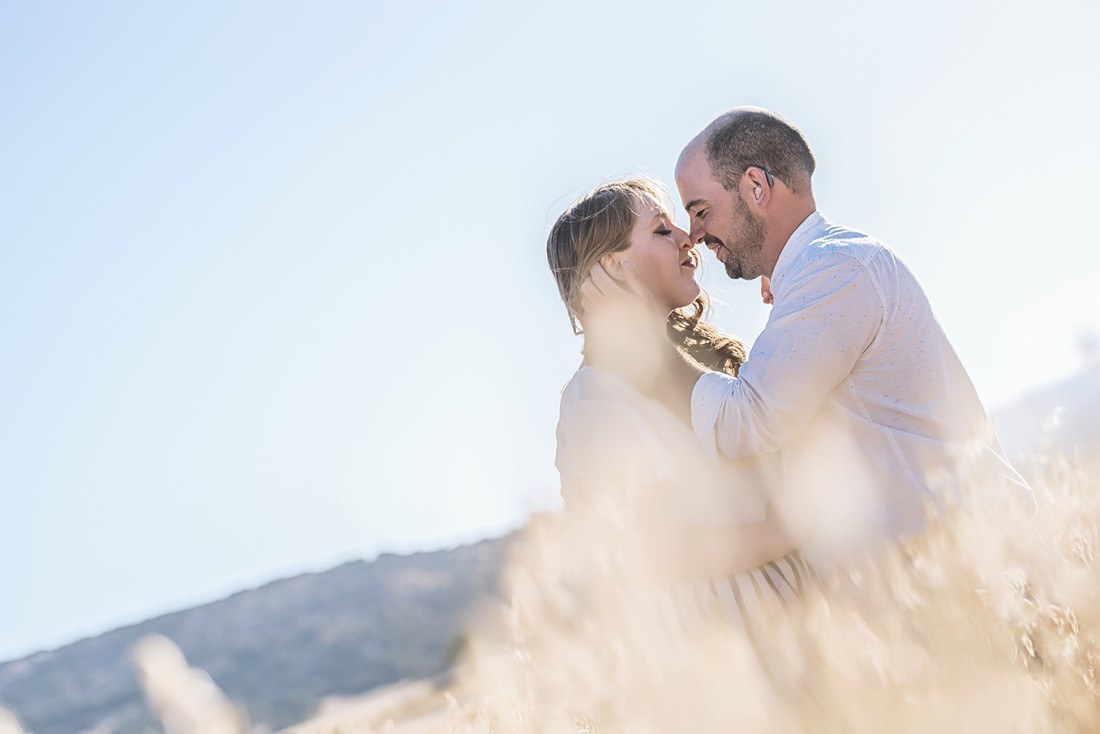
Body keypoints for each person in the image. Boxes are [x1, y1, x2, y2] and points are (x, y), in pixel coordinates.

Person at [581, 107, 1033, 570]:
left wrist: (643, 348)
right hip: (943, 570)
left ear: (756, 188)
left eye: (701, 211)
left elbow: (749, 420)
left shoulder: (833, 270)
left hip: (970, 570)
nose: (694, 235)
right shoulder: (821, 273)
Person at [547, 177, 820, 693]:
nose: (687, 236)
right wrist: (788, 531)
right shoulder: (593, 400)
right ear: (613, 266)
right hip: (723, 663)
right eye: (659, 229)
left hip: (789, 638)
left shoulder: (695, 371)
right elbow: (646, 551)